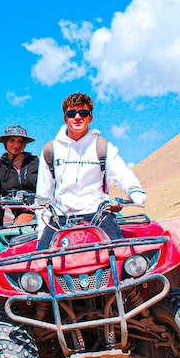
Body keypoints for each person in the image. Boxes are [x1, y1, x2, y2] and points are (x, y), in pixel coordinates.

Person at [35, 92, 146, 249]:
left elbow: (122, 174)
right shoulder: (50, 150)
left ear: (90, 118)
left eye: (84, 112)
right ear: (65, 119)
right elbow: (43, 195)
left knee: (121, 252)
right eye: (72, 113)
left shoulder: (102, 146)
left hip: (98, 213)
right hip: (61, 216)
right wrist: (42, 230)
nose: (78, 117)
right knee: (42, 260)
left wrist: (134, 190)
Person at [0, 124, 40, 228]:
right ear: (5, 143)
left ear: (24, 144)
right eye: (12, 140)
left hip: (43, 213)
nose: (16, 145)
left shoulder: (37, 162)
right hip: (20, 219)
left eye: (20, 141)